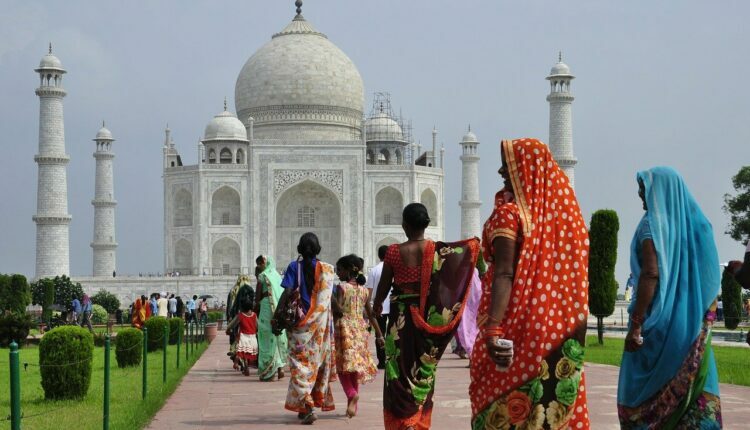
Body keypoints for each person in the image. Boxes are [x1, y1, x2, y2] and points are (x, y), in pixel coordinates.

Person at [469, 138, 590, 429]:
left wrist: (493, 327)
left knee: (501, 404)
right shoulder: (560, 218)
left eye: (508, 164)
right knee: (547, 405)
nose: (501, 171)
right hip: (555, 327)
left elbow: (505, 274)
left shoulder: (509, 214)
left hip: (515, 322)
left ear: (526, 169)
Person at [617, 167, 722, 428]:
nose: (641, 195)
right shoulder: (695, 226)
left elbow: (650, 274)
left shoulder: (651, 224)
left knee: (640, 394)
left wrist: (638, 323)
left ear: (661, 191)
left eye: (645, 188)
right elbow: (708, 277)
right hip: (691, 326)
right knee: (693, 391)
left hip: (659, 325)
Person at [373, 203, 479, 430]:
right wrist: (473, 247)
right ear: (427, 225)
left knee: (397, 370)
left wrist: (376, 306)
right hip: (426, 317)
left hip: (400, 319)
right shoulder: (436, 250)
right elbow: (452, 274)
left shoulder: (393, 251)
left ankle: (404, 421)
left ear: (404, 225)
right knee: (424, 367)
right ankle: (418, 419)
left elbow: (384, 286)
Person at [278, 232, 337, 424]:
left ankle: (309, 405)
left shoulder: (294, 267)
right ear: (318, 248)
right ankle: (304, 406)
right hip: (319, 330)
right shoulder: (328, 270)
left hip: (299, 327)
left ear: (300, 249)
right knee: (313, 366)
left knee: (299, 367)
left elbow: (287, 291)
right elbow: (332, 301)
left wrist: (277, 314)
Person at [333, 254, 382, 418]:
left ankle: (352, 394)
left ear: (347, 271)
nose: (337, 273)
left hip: (344, 330)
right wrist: (379, 335)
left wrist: (331, 299)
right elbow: (371, 314)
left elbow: (338, 311)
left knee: (342, 367)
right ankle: (353, 406)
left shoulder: (342, 288)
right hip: (360, 331)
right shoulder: (363, 291)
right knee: (354, 368)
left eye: (339, 270)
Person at [254, 255, 288, 382]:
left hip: (266, 309)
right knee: (276, 335)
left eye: (259, 264)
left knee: (266, 337)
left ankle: (268, 372)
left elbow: (257, 298)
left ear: (264, 263)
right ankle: (280, 368)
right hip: (277, 311)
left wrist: (254, 307)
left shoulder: (263, 276)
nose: (258, 267)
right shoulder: (276, 275)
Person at [454, 254, 486, 362]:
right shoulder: (472, 271)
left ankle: (471, 355)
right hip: (469, 306)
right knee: (468, 331)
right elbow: (478, 290)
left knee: (466, 331)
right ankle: (471, 356)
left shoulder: (469, 271)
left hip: (469, 307)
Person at [366, 245, 389, 369]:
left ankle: (382, 361)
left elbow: (368, 291)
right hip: (393, 306)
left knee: (380, 335)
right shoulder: (394, 269)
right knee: (393, 334)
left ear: (378, 255)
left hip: (378, 307)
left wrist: (369, 307)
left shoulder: (374, 270)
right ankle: (393, 359)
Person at [225, 294, 259, 375]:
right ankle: (245, 366)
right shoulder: (254, 315)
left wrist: (228, 329)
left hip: (243, 336)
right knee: (248, 352)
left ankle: (240, 364)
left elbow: (232, 324)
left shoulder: (240, 315)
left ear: (242, 307)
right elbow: (258, 326)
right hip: (253, 337)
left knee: (240, 351)